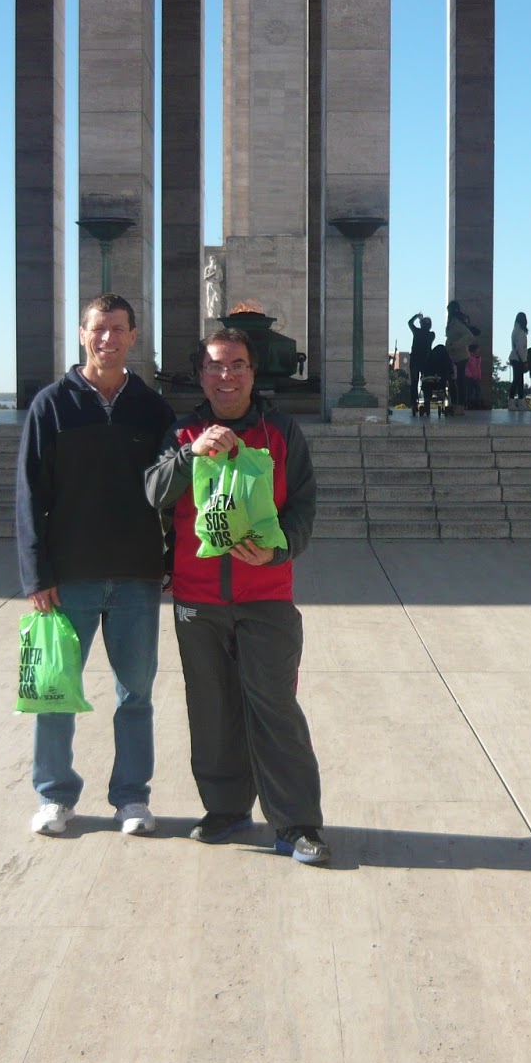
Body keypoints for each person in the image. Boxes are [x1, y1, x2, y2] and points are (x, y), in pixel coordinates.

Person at [145, 327, 330, 866]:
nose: (226, 376)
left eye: (237, 365)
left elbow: (303, 506)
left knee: (275, 710)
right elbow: (153, 491)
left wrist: (278, 551)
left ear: (252, 373)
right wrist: (190, 454)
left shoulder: (281, 431)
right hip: (198, 599)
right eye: (215, 366)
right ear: (201, 375)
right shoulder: (183, 432)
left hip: (266, 596)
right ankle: (225, 809)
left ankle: (296, 823)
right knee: (211, 710)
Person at [17, 293, 175, 838]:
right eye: (98, 328)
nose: (108, 338)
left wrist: (171, 560)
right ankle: (54, 796)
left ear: (134, 336)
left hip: (136, 576)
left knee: (136, 696)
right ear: (83, 334)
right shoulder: (52, 405)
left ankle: (132, 797)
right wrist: (36, 575)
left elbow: (173, 493)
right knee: (55, 693)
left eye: (118, 329)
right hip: (69, 580)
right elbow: (30, 494)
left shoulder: (152, 408)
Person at [406, 312, 434, 412]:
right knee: (426, 381)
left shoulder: (417, 332)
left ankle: (414, 404)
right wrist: (421, 320)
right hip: (426, 361)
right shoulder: (431, 335)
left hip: (415, 360)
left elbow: (410, 323)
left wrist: (417, 317)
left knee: (414, 383)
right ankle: (427, 401)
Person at [508, 311, 529, 409]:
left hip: (515, 358)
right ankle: (517, 402)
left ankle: (516, 401)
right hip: (518, 359)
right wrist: (525, 361)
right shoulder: (520, 332)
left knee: (518, 380)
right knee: (517, 381)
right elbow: (520, 348)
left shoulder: (515, 330)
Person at [463, 341, 484, 409]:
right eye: (477, 350)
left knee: (477, 390)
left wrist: (478, 376)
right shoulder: (470, 357)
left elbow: (478, 367)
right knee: (470, 391)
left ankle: (476, 404)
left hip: (476, 377)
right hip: (469, 376)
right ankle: (469, 404)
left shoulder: (477, 358)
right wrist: (474, 376)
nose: (479, 351)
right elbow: (472, 367)